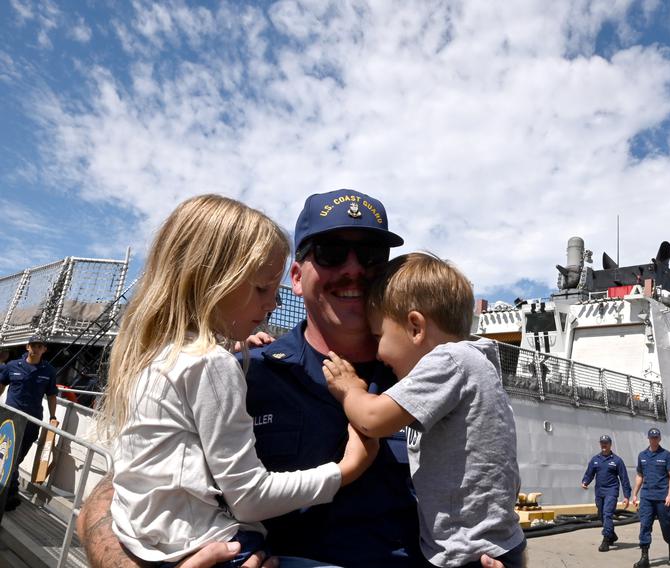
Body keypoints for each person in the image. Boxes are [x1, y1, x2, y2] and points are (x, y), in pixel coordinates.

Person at [77, 190, 507, 568]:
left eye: (372, 256)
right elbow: (118, 491)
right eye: (332, 252)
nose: (354, 269)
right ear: (297, 278)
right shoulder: (246, 368)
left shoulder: (438, 375)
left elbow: (490, 496)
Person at [97, 195, 378, 566]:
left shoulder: (159, 357)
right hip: (218, 549)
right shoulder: (224, 365)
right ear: (211, 281)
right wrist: (346, 471)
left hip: (156, 543)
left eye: (372, 255)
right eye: (262, 288)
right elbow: (248, 496)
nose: (273, 303)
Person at [322, 252, 526, 567]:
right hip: (496, 547)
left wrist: (350, 388)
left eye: (378, 336)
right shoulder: (481, 369)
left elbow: (372, 419)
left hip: (468, 556)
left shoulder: (449, 361)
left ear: (416, 327)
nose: (376, 352)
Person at [0, 336, 58, 511]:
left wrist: (53, 416)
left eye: (40, 346)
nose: (36, 349)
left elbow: (51, 395)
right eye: (33, 345)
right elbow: (2, 385)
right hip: (10, 419)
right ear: (27, 347)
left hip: (32, 421)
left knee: (17, 457)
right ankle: (11, 494)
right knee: (10, 456)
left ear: (44, 350)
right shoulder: (13, 366)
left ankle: (10, 491)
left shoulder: (48, 371)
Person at [631, 427, 670, 568]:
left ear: (660, 438)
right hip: (646, 497)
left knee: (666, 526)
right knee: (645, 525)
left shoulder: (666, 455)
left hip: (663, 498)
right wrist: (634, 494)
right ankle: (644, 558)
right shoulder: (642, 455)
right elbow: (640, 475)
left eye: (656, 437)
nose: (654, 440)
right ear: (648, 438)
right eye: (652, 437)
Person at [582, 434, 632, 552]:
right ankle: (612, 534)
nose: (604, 445)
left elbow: (624, 478)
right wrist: (585, 482)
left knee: (607, 513)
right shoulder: (595, 460)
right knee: (601, 514)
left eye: (606, 443)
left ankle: (606, 540)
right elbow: (589, 473)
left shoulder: (617, 461)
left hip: (611, 490)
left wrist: (626, 496)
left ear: (610, 445)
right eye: (602, 443)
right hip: (599, 491)